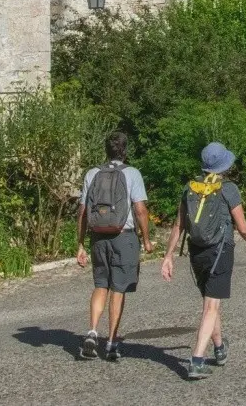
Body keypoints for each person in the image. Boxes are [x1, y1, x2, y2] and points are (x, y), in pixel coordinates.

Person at [160, 141, 246, 380]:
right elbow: (243, 226)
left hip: (197, 252)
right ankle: (196, 360)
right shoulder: (228, 189)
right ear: (223, 165)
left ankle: (219, 348)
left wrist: (168, 256)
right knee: (211, 306)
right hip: (220, 251)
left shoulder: (190, 188)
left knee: (210, 302)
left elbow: (178, 225)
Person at [75, 132, 154, 361]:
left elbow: (82, 212)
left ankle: (91, 331)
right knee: (118, 290)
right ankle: (110, 342)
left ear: (106, 150)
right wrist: (147, 239)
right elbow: (140, 209)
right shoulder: (132, 174)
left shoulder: (92, 173)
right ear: (124, 151)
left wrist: (80, 244)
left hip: (98, 237)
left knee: (101, 284)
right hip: (123, 236)